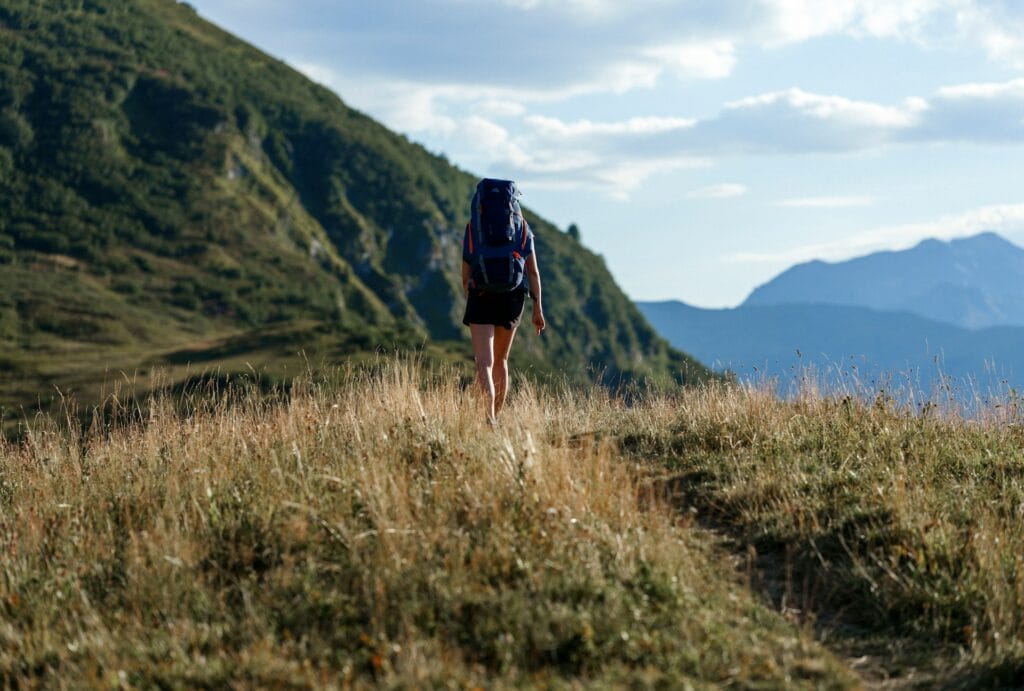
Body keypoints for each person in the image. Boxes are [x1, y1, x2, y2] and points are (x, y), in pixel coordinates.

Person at [462, 203, 545, 424]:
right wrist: (538, 309)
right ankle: (496, 418)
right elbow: (533, 273)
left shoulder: (474, 227)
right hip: (512, 297)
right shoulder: (523, 228)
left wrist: (470, 297)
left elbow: (466, 270)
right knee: (501, 360)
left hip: (480, 294)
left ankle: (488, 419)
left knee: (484, 363)